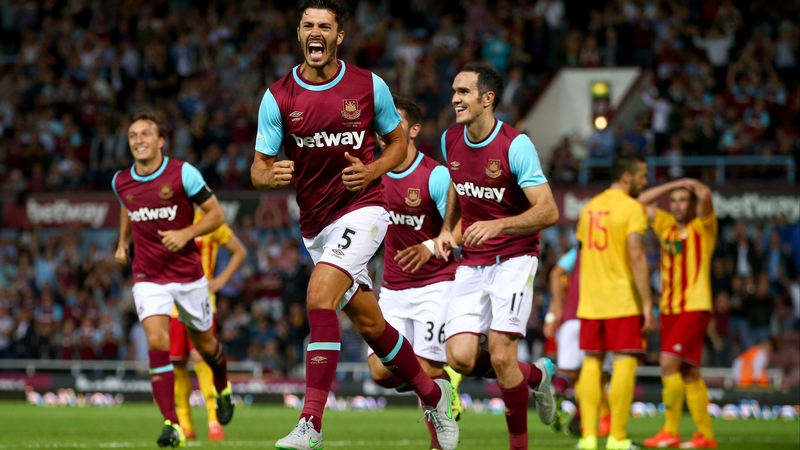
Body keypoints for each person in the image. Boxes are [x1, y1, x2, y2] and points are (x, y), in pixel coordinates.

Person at [249, 2, 458, 449]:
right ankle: (432, 393)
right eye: (308, 24)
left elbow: (398, 140)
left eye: (325, 25)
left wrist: (372, 171)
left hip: (364, 208)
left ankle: (311, 424)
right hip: (315, 225)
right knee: (371, 326)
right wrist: (269, 176)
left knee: (318, 295)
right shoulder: (279, 96)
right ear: (299, 32)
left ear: (339, 36)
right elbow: (258, 167)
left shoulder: (368, 85)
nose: (315, 31)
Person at [436, 63, 559, 450]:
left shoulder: (515, 145)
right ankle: (536, 378)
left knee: (502, 353)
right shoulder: (449, 140)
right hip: (473, 260)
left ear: (487, 99)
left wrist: (499, 225)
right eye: (454, 91)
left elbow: (549, 211)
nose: (455, 98)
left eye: (464, 92)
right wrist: (446, 229)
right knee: (458, 357)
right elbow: (457, 183)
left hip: (515, 256)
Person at [112, 110, 234, 448]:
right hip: (148, 276)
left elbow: (217, 215)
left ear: (161, 141)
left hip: (188, 276)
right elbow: (126, 205)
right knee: (156, 342)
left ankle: (222, 387)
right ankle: (172, 424)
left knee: (207, 348)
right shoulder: (121, 180)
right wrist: (123, 242)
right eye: (133, 134)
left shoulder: (183, 173)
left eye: (146, 133)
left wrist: (186, 234)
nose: (138, 139)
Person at [366, 96, 464, 449]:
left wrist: (430, 245)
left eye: (396, 122)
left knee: (423, 367)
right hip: (392, 287)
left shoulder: (435, 176)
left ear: (414, 130)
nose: (385, 129)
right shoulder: (373, 172)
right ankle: (444, 385)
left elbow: (461, 225)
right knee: (379, 371)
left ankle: (438, 445)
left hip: (435, 285)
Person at [575, 154, 655, 450]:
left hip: (591, 300)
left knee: (592, 362)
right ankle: (617, 438)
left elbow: (583, 253)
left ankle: (588, 437)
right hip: (622, 299)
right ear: (627, 177)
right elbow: (636, 255)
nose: (645, 182)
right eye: (642, 176)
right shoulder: (633, 209)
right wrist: (647, 303)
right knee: (625, 361)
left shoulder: (589, 208)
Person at [638, 178, 718, 449]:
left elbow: (706, 194)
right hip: (670, 309)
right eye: (673, 201)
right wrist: (673, 185)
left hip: (694, 306)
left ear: (693, 204)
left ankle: (670, 430)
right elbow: (640, 203)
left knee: (667, 363)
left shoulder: (703, 228)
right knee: (689, 372)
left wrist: (692, 184)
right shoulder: (665, 226)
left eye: (683, 199)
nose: (677, 205)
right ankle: (706, 437)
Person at [171, 209, 247, 442]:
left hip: (202, 301)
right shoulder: (168, 217)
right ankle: (185, 425)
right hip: (171, 303)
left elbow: (239, 251)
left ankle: (214, 420)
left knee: (202, 357)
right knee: (177, 363)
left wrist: (221, 281)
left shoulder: (209, 219)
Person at [544, 248, 612, 438]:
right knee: (599, 374)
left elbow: (556, 272)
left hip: (571, 317)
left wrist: (555, 308)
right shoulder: (611, 247)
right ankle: (588, 419)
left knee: (571, 373)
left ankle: (558, 390)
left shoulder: (579, 251)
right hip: (598, 316)